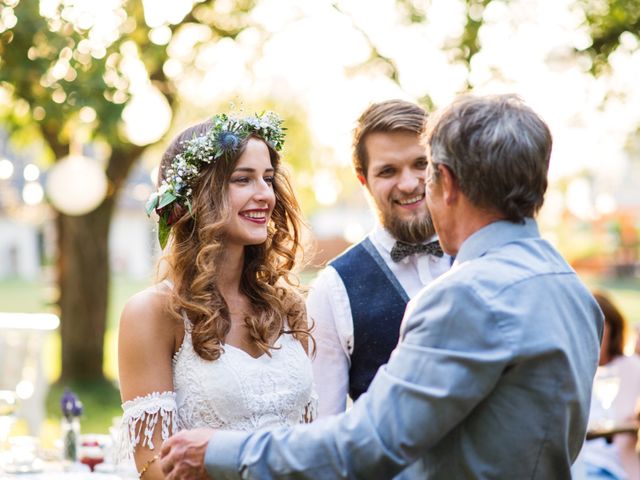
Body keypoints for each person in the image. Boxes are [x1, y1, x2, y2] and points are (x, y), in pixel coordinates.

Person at [159, 94, 604, 479]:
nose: (415, 187)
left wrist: (217, 452)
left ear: (445, 183)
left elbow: (367, 444)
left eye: (425, 172)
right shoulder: (574, 292)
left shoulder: (465, 297)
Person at [117, 111, 316, 479]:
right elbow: (153, 468)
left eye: (268, 179)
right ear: (196, 193)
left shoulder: (287, 307)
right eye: (243, 179)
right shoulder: (154, 312)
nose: (265, 195)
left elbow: (307, 442)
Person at [308, 99, 450, 416]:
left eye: (420, 164)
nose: (409, 183)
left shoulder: (479, 254)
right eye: (388, 171)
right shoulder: (333, 289)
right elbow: (325, 429)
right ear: (363, 180)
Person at [575, 291, 640, 480]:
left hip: (613, 466)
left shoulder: (631, 367)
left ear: (613, 331)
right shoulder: (572, 370)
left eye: (598, 327)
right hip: (576, 464)